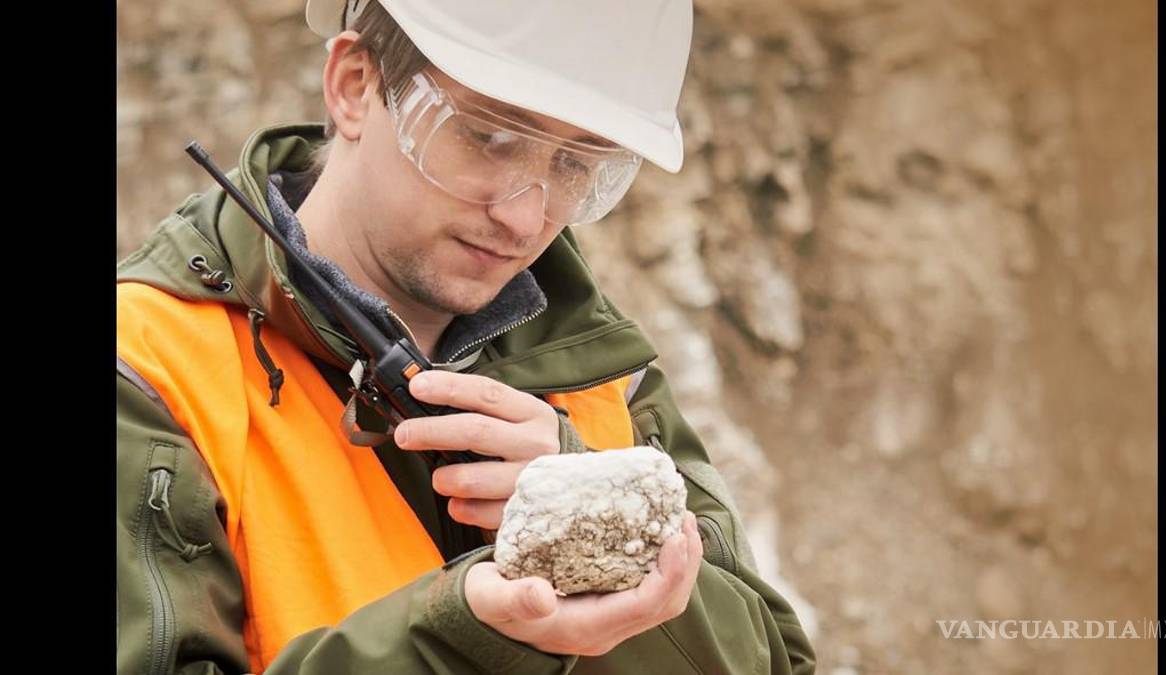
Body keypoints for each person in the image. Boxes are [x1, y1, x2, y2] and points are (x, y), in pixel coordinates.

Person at [116, 1, 818, 672]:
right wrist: (463, 638)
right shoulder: (149, 370)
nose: (523, 219)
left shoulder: (599, 377)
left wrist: (607, 536)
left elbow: (767, 661)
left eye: (576, 165)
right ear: (355, 86)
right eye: (490, 138)